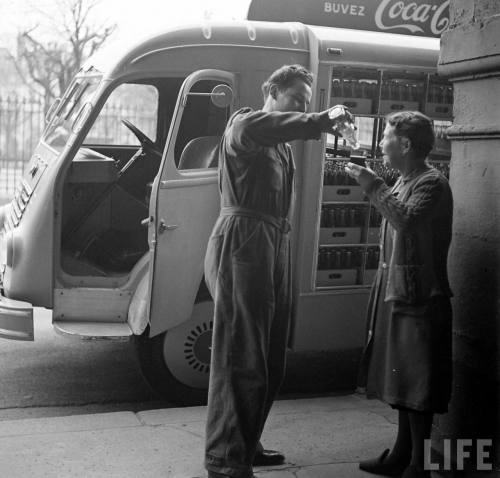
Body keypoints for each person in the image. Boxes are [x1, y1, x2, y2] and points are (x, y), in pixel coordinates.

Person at [203, 64, 353, 478]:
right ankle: (224, 459)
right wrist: (319, 120)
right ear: (272, 90)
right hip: (244, 242)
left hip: (272, 243)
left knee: (269, 356)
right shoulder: (244, 124)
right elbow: (257, 129)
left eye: (306, 103)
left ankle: (246, 442)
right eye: (296, 100)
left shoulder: (281, 145)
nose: (302, 107)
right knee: (241, 353)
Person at [345, 111, 453, 478]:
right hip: (401, 293)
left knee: (418, 382)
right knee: (403, 379)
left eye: (386, 137)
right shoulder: (408, 179)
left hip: (422, 297)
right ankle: (403, 452)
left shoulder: (431, 183)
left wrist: (372, 185)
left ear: (405, 144)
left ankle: (419, 465)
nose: (380, 144)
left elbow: (405, 219)